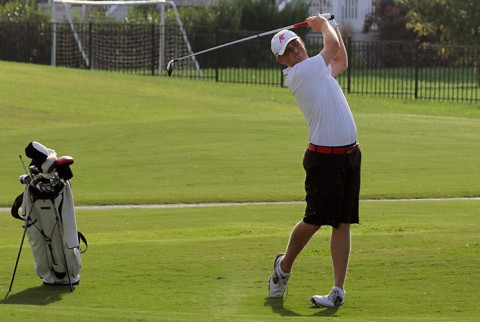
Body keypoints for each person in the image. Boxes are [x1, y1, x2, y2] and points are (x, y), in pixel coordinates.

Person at [268, 13, 361, 308]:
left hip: (349, 155)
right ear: (282, 61)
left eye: (296, 44)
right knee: (313, 222)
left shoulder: (316, 69)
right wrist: (323, 24)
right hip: (324, 160)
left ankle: (337, 291)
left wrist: (327, 26)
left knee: (342, 223)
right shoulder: (300, 73)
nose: (296, 51)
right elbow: (331, 48)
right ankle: (283, 268)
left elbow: (341, 60)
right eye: (289, 51)